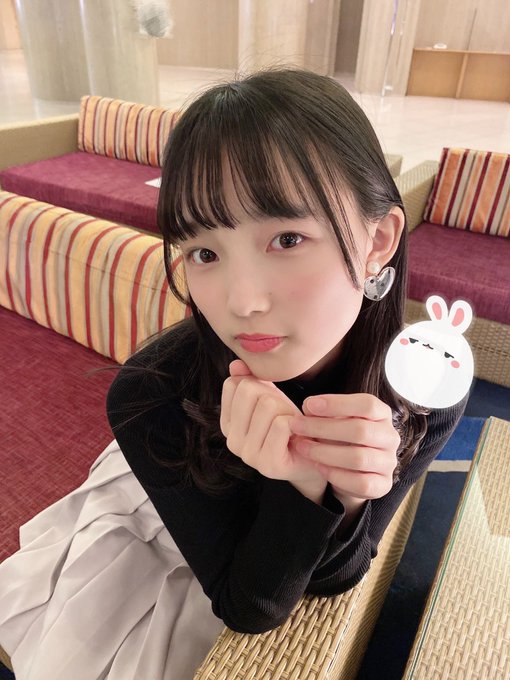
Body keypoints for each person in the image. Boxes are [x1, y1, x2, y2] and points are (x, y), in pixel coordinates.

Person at [0, 67, 469, 679]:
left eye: (287, 239)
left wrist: (348, 493)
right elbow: (250, 606)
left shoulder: (426, 383)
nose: (242, 302)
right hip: (173, 484)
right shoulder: (152, 394)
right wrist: (303, 484)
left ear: (377, 240)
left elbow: (335, 579)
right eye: (205, 252)